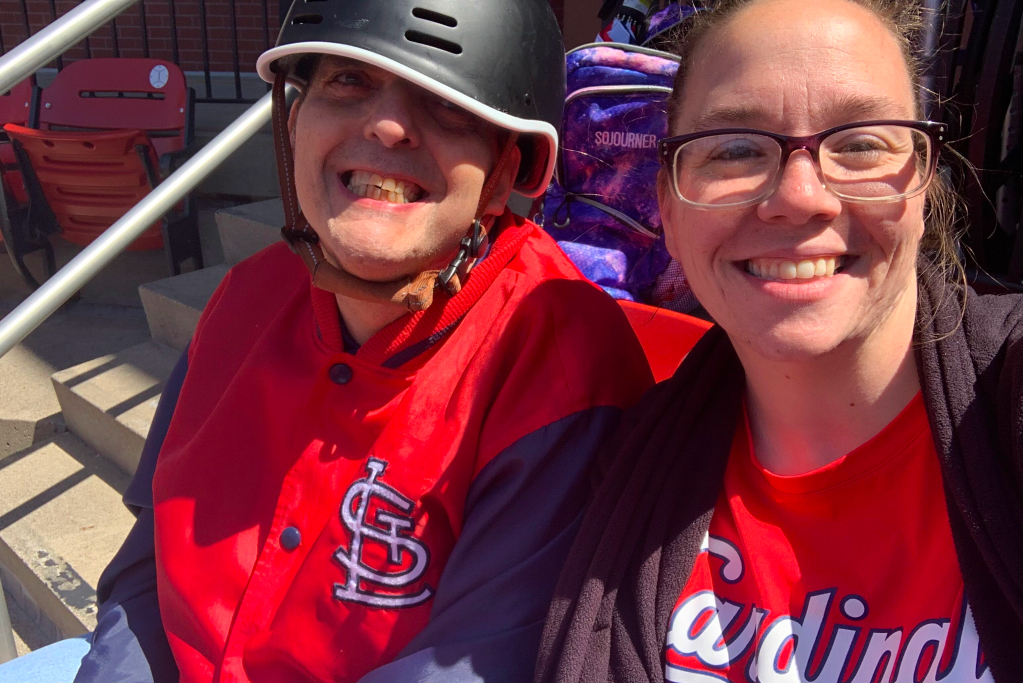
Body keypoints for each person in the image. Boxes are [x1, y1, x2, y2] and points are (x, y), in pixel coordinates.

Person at [0, 1, 654, 682]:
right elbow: (149, 567)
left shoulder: (560, 363)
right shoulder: (245, 300)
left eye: (447, 103)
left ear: (504, 168)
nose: (388, 125)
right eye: (347, 80)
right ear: (292, 117)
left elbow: (474, 664)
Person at [534, 1, 1023, 682]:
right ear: (669, 210)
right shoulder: (614, 465)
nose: (799, 197)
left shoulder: (1008, 400)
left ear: (921, 183)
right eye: (734, 147)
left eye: (858, 143)